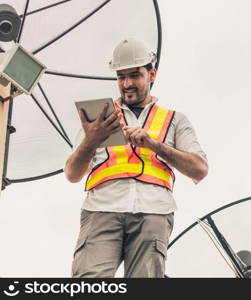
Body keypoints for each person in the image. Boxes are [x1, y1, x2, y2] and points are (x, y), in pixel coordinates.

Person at [64, 38, 208, 278]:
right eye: (121, 77)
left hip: (154, 212)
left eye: (135, 75)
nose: (127, 84)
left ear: (152, 74)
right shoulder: (100, 117)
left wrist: (153, 144)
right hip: (102, 209)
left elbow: (199, 169)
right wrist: (91, 139)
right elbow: (72, 174)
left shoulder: (175, 120)